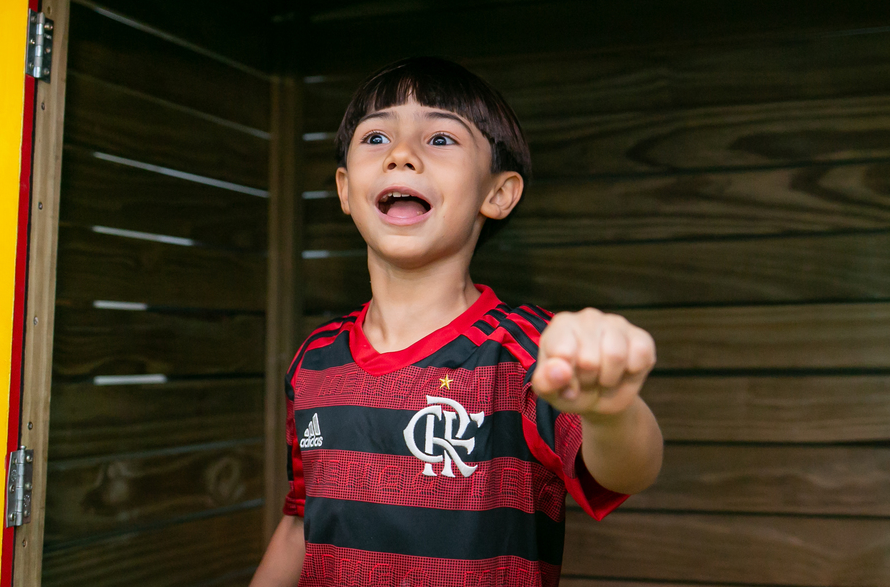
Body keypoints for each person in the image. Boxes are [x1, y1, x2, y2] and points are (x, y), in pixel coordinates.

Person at [251, 57, 664, 587]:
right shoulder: (314, 359)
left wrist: (611, 410)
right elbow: (300, 525)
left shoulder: (530, 352)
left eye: (441, 138)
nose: (401, 154)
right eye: (376, 138)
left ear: (498, 194)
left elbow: (631, 470)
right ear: (344, 190)